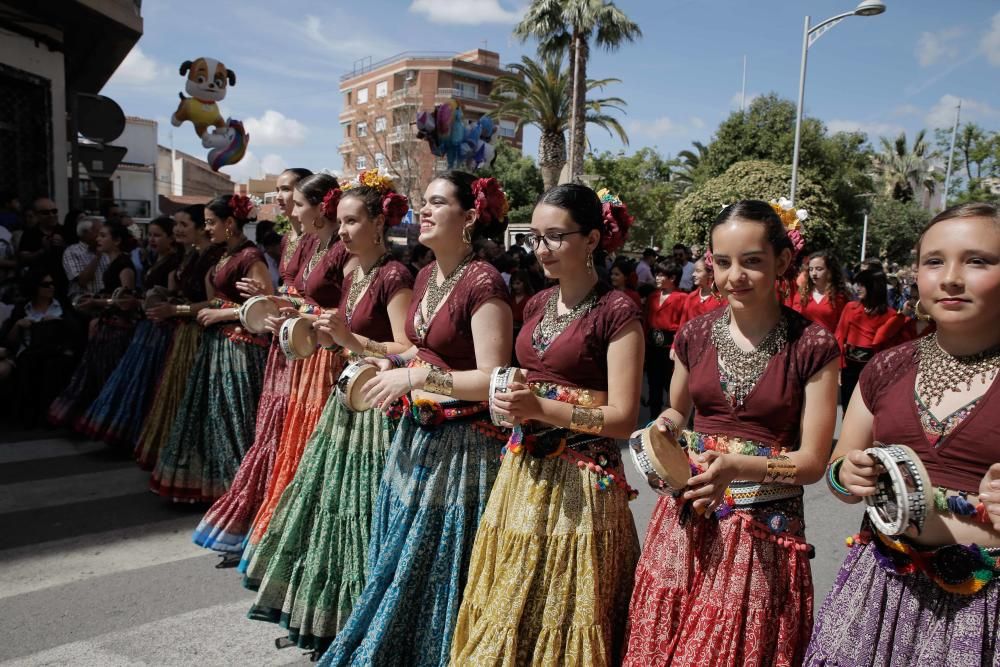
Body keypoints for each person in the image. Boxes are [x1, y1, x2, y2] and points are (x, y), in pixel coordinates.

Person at [623, 200, 840, 666]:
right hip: (687, 517)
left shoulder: (815, 346)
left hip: (762, 533)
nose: (734, 275)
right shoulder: (695, 334)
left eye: (752, 261)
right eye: (722, 263)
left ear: (783, 261)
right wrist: (661, 432)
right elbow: (677, 411)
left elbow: (812, 463)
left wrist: (738, 467)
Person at [319, 172, 511, 666]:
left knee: (437, 561)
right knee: (403, 551)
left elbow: (492, 377)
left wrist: (416, 379)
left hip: (464, 444)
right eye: (423, 201)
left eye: (437, 202)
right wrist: (393, 364)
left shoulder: (484, 281)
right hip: (417, 432)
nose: (423, 210)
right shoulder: (427, 274)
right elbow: (419, 351)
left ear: (469, 217)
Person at [451, 184, 644, 665]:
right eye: (536, 237)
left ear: (593, 239)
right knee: (509, 598)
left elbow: (622, 419)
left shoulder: (617, 312)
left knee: (567, 605)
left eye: (555, 236)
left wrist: (541, 408)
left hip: (584, 482)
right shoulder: (537, 304)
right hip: (523, 471)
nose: (541, 249)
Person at [805, 202, 1000, 665]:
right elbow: (837, 473)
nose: (951, 277)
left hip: (984, 611)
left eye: (977, 261)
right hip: (879, 590)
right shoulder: (887, 366)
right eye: (934, 261)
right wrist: (848, 474)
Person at [243, 177, 414, 655]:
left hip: (377, 409)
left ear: (379, 223)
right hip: (345, 405)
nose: (342, 232)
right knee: (328, 510)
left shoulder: (394, 275)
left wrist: (350, 340)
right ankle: (328, 620)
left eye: (353, 221)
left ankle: (361, 626)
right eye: (339, 222)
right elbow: (342, 335)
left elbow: (407, 349)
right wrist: (312, 329)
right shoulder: (356, 270)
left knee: (362, 516)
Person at [198, 173, 347, 560]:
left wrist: (285, 304)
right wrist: (273, 302)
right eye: (285, 195)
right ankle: (262, 524)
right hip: (292, 350)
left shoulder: (340, 250)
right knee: (278, 435)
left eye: (294, 199)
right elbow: (295, 296)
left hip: (321, 357)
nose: (286, 204)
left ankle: (290, 537)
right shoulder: (302, 242)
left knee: (303, 443)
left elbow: (345, 312)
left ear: (320, 207)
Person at [150, 195, 271, 502]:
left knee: (235, 420)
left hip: (241, 349)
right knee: (215, 417)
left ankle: (244, 491)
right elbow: (217, 298)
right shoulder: (223, 255)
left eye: (210, 222)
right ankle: (222, 489)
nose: (207, 228)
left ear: (229, 223)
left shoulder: (249, 256)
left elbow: (265, 307)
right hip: (218, 345)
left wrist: (222, 313)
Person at [76, 217, 183, 447]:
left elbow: (165, 298)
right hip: (147, 327)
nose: (152, 240)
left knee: (145, 382)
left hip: (158, 329)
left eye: (158, 235)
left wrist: (116, 302)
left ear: (171, 238)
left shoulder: (173, 263)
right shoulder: (157, 259)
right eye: (150, 235)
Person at [134, 205, 224, 470]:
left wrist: (176, 309)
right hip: (184, 333)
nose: (177, 230)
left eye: (184, 224)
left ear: (201, 227)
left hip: (200, 334)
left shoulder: (213, 257)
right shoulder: (192, 254)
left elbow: (214, 302)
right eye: (176, 224)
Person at [48, 222, 137, 427]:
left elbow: (126, 300)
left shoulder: (123, 264)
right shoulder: (110, 262)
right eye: (99, 235)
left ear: (116, 241)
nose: (98, 239)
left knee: (110, 373)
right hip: (107, 324)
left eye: (104, 235)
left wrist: (98, 302)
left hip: (118, 328)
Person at [0, 269, 74, 426]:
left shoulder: (61, 306)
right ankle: (28, 415)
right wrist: (18, 325)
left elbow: (73, 333)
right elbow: (9, 341)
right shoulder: (23, 308)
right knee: (28, 363)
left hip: (54, 350)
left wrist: (58, 322)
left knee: (52, 366)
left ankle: (47, 415)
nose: (51, 287)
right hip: (28, 351)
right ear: (35, 287)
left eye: (52, 284)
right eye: (45, 284)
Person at [834, 268, 904, 407]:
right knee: (847, 409)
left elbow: (890, 347)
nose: (857, 288)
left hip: (873, 369)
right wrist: (838, 368)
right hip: (849, 368)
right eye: (857, 284)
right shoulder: (850, 307)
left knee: (868, 410)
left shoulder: (890, 315)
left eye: (861, 285)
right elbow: (839, 337)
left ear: (873, 287)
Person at [645, 260, 686, 417]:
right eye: (657, 274)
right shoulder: (653, 296)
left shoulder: (682, 297)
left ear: (673, 277)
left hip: (670, 348)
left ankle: (673, 420)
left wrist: (676, 346)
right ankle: (652, 419)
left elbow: (683, 324)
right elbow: (645, 321)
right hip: (652, 347)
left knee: (671, 386)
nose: (657, 277)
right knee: (653, 385)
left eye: (661, 275)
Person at [19, 197, 66, 293]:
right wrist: (43, 250)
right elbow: (23, 258)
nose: (51, 215)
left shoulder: (66, 231)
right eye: (46, 213)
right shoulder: (30, 233)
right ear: (37, 215)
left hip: (63, 282)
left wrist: (64, 246)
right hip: (38, 286)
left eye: (54, 211)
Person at [794, 250, 849, 333]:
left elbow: (842, 329)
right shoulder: (802, 294)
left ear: (830, 271)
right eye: (811, 269)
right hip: (804, 343)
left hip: (829, 344)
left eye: (819, 269)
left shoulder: (839, 297)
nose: (814, 273)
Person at [62, 216, 109, 300]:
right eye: (99, 232)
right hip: (83, 302)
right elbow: (82, 281)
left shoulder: (106, 251)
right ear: (85, 233)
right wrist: (97, 256)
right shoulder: (72, 251)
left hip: (104, 301)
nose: (101, 237)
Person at [677, 254, 725, 329]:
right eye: (693, 271)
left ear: (711, 274)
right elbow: (683, 325)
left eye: (698, 271)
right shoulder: (691, 297)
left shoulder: (722, 298)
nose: (693, 274)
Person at [508, 268, 534, 358]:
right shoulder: (509, 299)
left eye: (518, 283)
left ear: (524, 283)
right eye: (513, 284)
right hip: (509, 332)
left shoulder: (530, 300)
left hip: (521, 333)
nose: (515, 286)